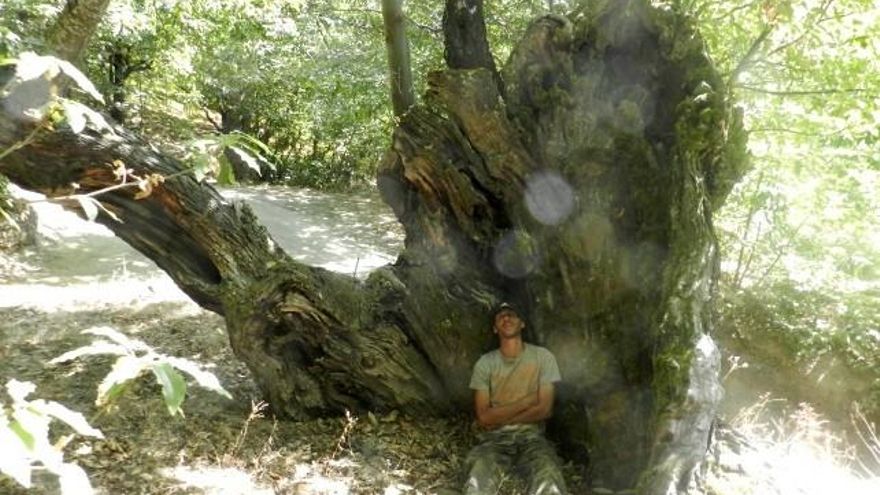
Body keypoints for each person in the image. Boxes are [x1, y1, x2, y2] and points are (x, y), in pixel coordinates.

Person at [463, 302, 567, 495]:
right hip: (495, 439)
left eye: (512, 314)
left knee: (549, 476)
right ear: (495, 328)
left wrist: (499, 417)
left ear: (522, 324)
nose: (506, 318)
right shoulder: (485, 363)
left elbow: (545, 409)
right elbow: (484, 417)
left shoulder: (543, 357)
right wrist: (527, 401)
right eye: (500, 316)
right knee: (477, 478)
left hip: (532, 438)